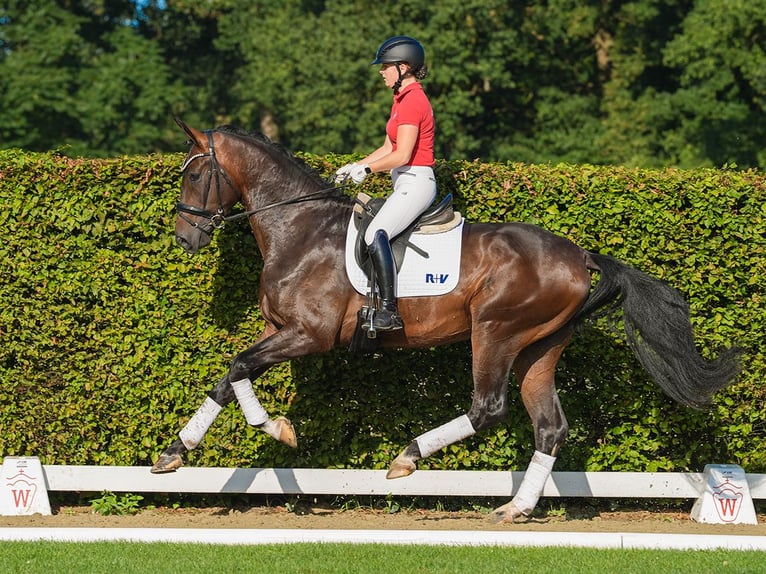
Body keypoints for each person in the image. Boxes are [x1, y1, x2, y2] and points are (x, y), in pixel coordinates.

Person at [335, 35, 437, 332]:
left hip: (416, 181)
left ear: (403, 67)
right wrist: (355, 165)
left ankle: (390, 311)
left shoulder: (413, 101)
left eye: (386, 66)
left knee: (375, 233)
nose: (381, 71)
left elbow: (403, 154)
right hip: (405, 181)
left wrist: (367, 169)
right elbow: (387, 148)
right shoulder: (401, 99)